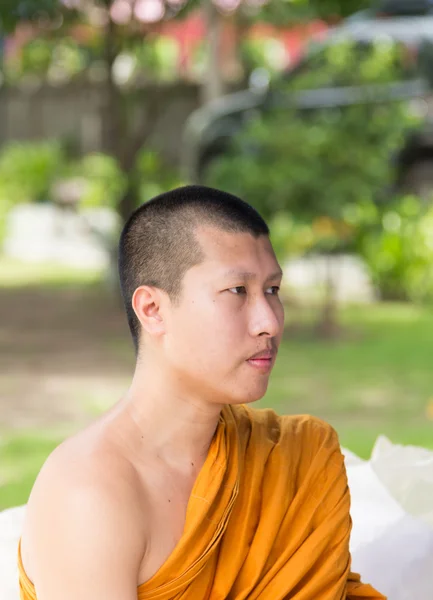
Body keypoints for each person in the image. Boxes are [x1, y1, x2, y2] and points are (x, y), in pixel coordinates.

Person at [17, 185, 385, 600]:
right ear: (153, 310)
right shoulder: (90, 491)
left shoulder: (297, 456)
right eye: (237, 291)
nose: (269, 322)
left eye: (273, 290)